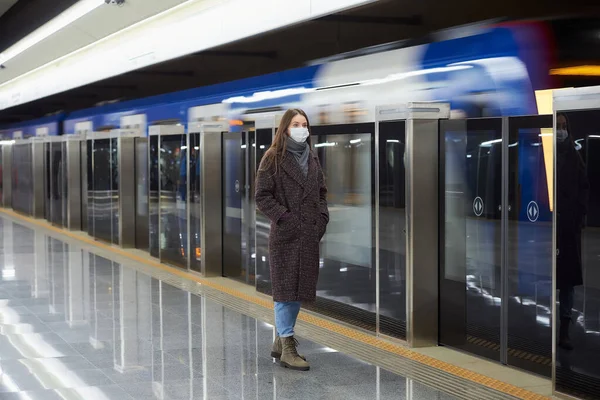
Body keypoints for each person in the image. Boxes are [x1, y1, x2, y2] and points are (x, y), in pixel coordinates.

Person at [255, 108, 329, 371]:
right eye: (296, 124)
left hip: (308, 235)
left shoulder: (313, 159)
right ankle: (287, 346)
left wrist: (322, 218)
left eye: (305, 124)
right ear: (285, 128)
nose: (301, 128)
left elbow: (321, 192)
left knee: (299, 292)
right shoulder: (272, 158)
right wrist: (285, 218)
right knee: (286, 292)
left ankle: (280, 339)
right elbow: (262, 196)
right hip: (286, 236)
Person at [556, 112, 589, 350]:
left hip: (568, 228)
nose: (561, 130)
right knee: (554, 278)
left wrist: (577, 217)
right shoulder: (545, 155)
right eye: (557, 126)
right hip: (549, 228)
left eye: (564, 126)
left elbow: (583, 190)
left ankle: (564, 329)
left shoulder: (575, 157)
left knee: (567, 281)